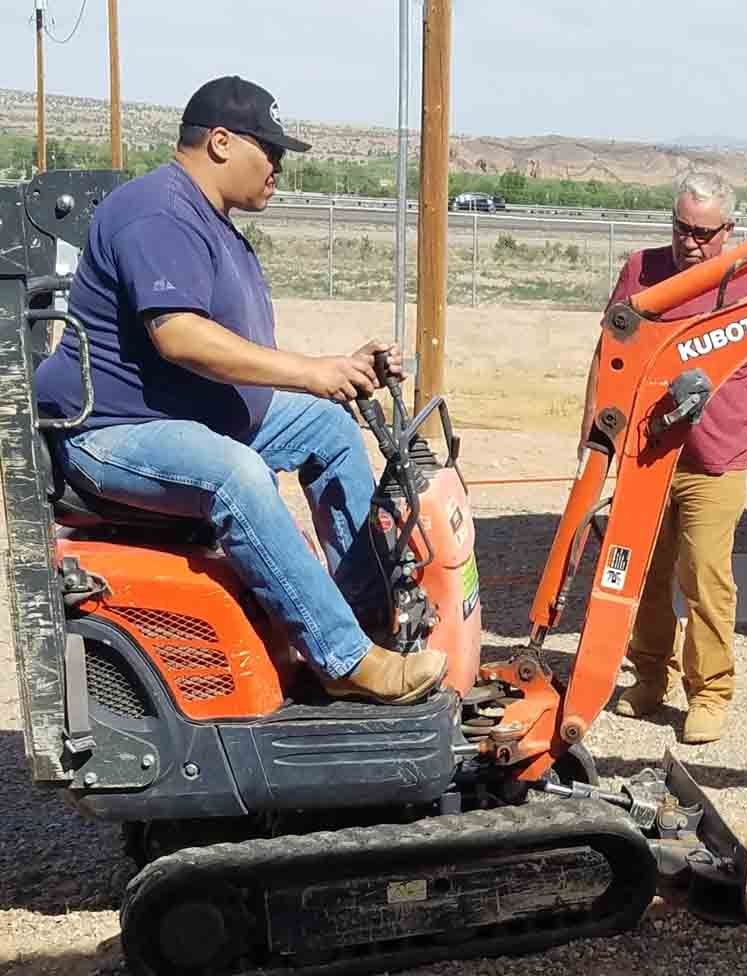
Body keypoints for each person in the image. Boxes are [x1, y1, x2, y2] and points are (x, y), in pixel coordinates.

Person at [35, 75, 446, 706]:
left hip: (180, 412)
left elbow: (234, 348)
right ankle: (342, 659)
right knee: (239, 474)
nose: (278, 166)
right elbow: (180, 337)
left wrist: (339, 369)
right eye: (271, 150)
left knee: (329, 428)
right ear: (221, 143)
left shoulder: (210, 219)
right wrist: (312, 370)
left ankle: (363, 619)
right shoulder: (157, 211)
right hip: (110, 431)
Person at [579, 170, 747, 744]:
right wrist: (594, 439)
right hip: (648, 458)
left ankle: (711, 693)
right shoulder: (641, 272)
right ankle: (650, 677)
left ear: (729, 231)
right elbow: (608, 355)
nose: (690, 241)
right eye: (681, 228)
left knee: (704, 577)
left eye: (703, 232)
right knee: (643, 572)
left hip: (713, 462)